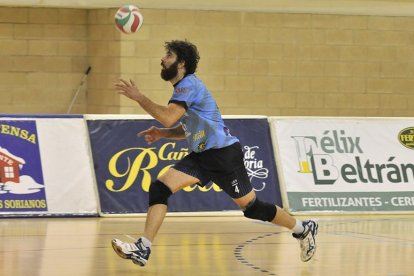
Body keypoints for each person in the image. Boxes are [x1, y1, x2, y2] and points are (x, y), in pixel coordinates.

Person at [112, 40, 318, 266]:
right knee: (160, 188)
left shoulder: (188, 86)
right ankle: (144, 247)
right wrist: (164, 134)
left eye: (168, 55)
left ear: (181, 63)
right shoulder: (184, 89)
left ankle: (303, 228)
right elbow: (186, 127)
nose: (162, 59)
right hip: (201, 157)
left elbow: (169, 116)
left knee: (253, 209)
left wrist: (139, 97)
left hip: (223, 155)